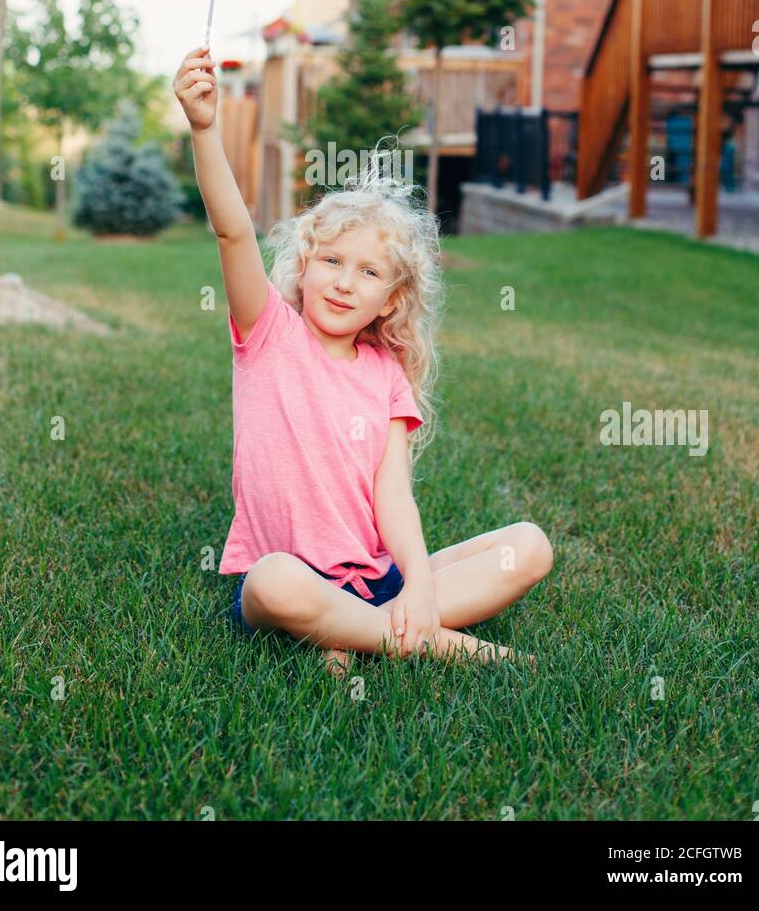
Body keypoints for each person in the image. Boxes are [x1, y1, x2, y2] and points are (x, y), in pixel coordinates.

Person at [173, 44, 553, 675]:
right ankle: (437, 643)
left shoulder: (385, 377)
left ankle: (354, 632)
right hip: (288, 576)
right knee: (272, 584)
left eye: (368, 270)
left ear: (391, 297)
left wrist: (420, 585)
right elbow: (234, 231)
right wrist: (205, 129)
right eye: (331, 262)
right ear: (305, 266)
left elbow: (393, 495)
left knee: (530, 546)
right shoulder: (269, 334)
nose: (345, 282)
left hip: (374, 577)